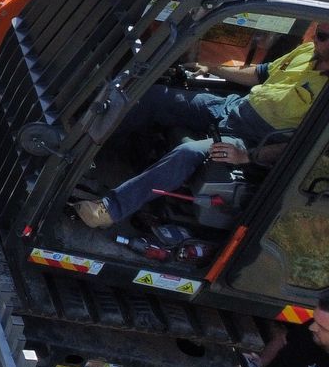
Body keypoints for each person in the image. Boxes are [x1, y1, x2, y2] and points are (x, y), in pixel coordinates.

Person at [77, 27, 329, 229]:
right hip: (233, 106)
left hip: (252, 139)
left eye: (323, 37)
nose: (316, 38)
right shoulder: (307, 51)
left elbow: (302, 146)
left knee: (189, 153)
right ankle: (81, 153)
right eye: (319, 30)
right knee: (154, 97)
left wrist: (247, 156)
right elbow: (259, 75)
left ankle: (110, 208)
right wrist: (212, 67)